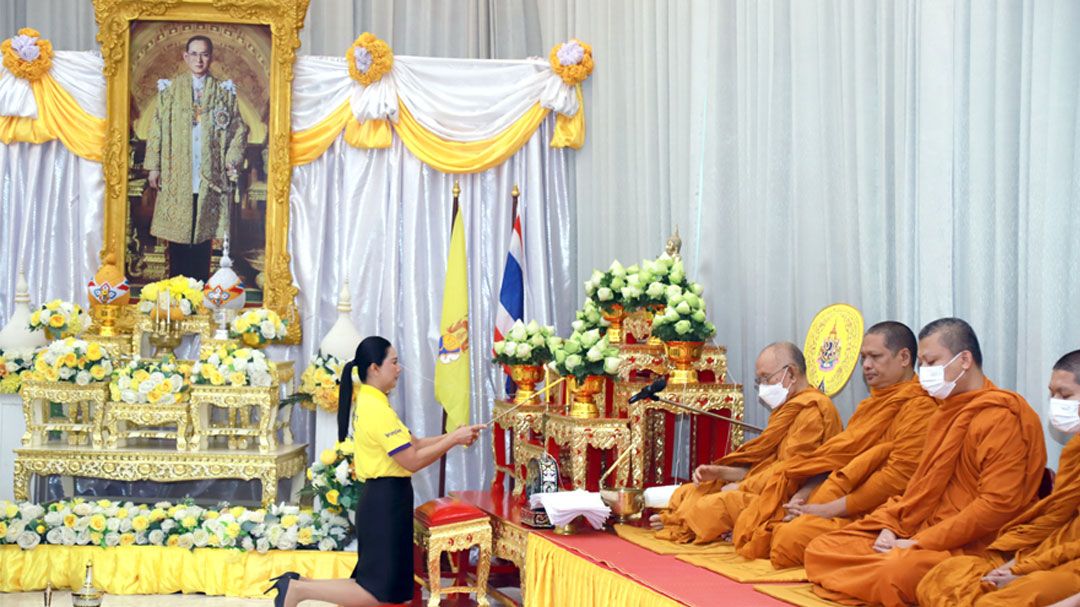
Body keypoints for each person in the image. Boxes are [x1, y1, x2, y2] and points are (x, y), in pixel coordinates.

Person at [803, 318, 1047, 607]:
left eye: (931, 362)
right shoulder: (945, 413)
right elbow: (920, 487)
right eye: (923, 364)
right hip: (920, 528)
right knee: (820, 549)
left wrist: (922, 542)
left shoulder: (1001, 416)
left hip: (971, 544)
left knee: (892, 570)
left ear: (965, 360)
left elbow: (996, 506)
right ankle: (879, 575)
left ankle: (882, 578)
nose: (924, 373)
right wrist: (892, 525)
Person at [266, 337, 484, 607]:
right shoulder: (374, 408)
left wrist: (455, 436)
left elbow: (413, 443)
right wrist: (452, 440)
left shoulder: (377, 403)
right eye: (393, 362)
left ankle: (299, 585)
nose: (399, 368)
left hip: (387, 499)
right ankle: (298, 591)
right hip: (385, 501)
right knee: (377, 593)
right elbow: (412, 460)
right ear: (374, 368)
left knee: (374, 585)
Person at [731, 321, 937, 567]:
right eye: (863, 358)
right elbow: (835, 462)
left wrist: (831, 509)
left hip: (880, 512)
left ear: (904, 357)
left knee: (789, 538)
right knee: (769, 526)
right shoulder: (869, 407)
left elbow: (898, 477)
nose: (867, 366)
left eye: (875, 357)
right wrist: (805, 495)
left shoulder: (920, 406)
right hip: (839, 500)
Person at [916, 349, 1080, 607]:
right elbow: (1060, 523)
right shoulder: (1076, 450)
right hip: (1051, 555)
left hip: (1070, 571)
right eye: (1052, 394)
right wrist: (1019, 564)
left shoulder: (1002, 416)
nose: (1056, 401)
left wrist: (1030, 575)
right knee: (944, 574)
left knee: (1003, 599)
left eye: (1066, 395)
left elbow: (999, 502)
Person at [650, 341, 842, 544]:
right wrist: (719, 472)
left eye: (766, 378)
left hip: (784, 497)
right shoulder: (787, 409)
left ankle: (680, 523)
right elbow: (762, 467)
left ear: (792, 374)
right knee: (695, 489)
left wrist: (742, 488)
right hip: (765, 486)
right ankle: (679, 520)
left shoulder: (812, 410)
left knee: (719, 503)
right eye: (759, 380)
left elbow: (791, 471)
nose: (763, 387)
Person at [145, 35, 248, 281]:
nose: (199, 59)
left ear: (211, 57)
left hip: (208, 172)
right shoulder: (170, 90)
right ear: (185, 56)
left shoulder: (223, 92)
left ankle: (199, 289)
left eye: (204, 54)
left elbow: (239, 129)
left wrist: (231, 160)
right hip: (177, 170)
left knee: (202, 232)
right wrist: (154, 167)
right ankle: (177, 292)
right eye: (194, 54)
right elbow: (156, 127)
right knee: (179, 233)